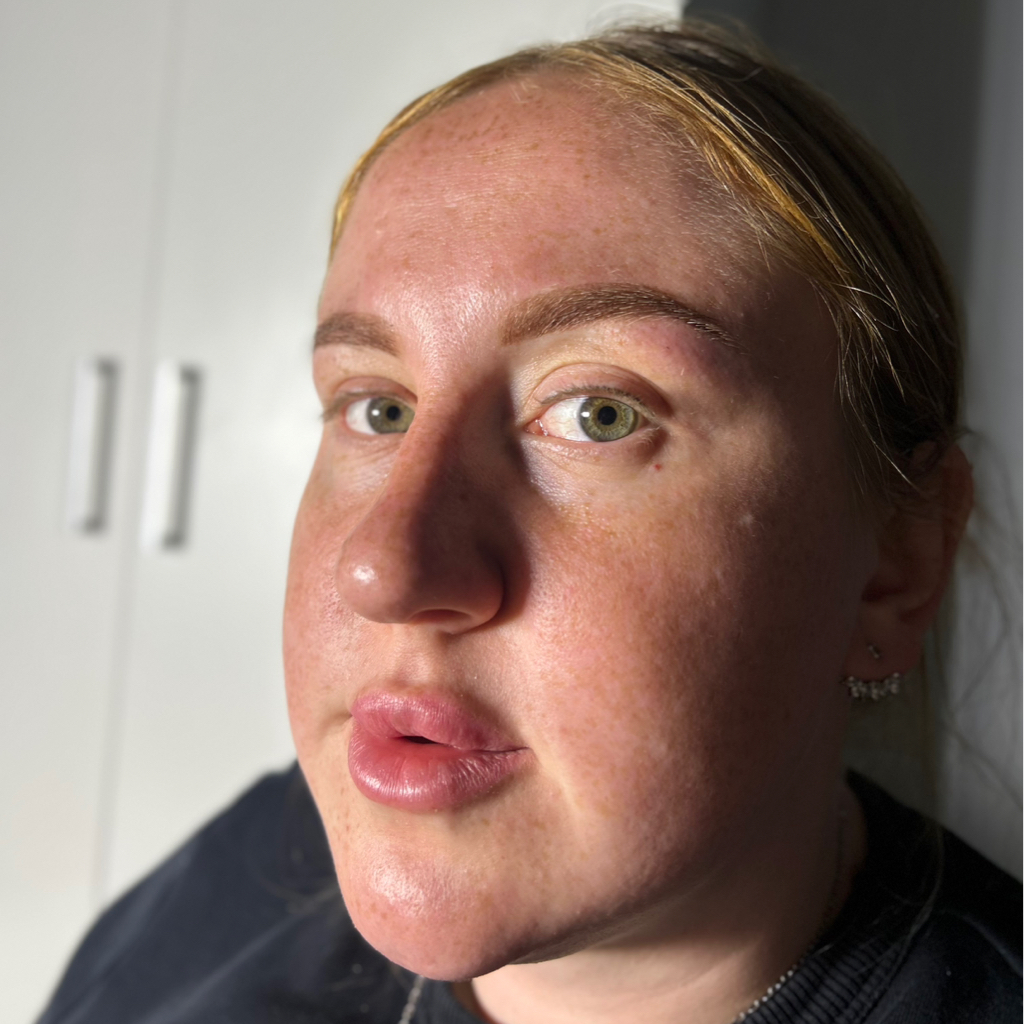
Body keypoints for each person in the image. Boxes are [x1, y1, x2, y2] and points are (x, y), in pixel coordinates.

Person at [39, 20, 1020, 1024]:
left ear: (897, 562)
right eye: (379, 408)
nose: (384, 569)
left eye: (600, 414)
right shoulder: (234, 882)